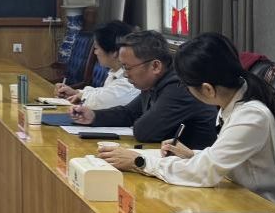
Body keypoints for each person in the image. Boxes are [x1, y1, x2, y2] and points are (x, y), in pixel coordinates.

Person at [97, 33, 275, 209]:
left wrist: (140, 161)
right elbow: (224, 158)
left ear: (207, 89)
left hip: (264, 212)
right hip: (234, 198)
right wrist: (192, 155)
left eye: (187, 87)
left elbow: (204, 172)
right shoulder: (233, 102)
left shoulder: (251, 117)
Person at [70, 30, 218, 148]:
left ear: (155, 66)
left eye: (128, 67)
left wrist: (140, 119)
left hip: (193, 166)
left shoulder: (179, 87)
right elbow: (129, 113)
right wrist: (94, 116)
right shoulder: (154, 81)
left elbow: (144, 131)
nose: (125, 74)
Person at [54, 20, 139, 109]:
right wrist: (76, 92)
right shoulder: (115, 71)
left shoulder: (129, 80)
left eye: (96, 48)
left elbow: (100, 103)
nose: (95, 53)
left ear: (114, 52)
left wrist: (80, 96)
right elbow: (103, 92)